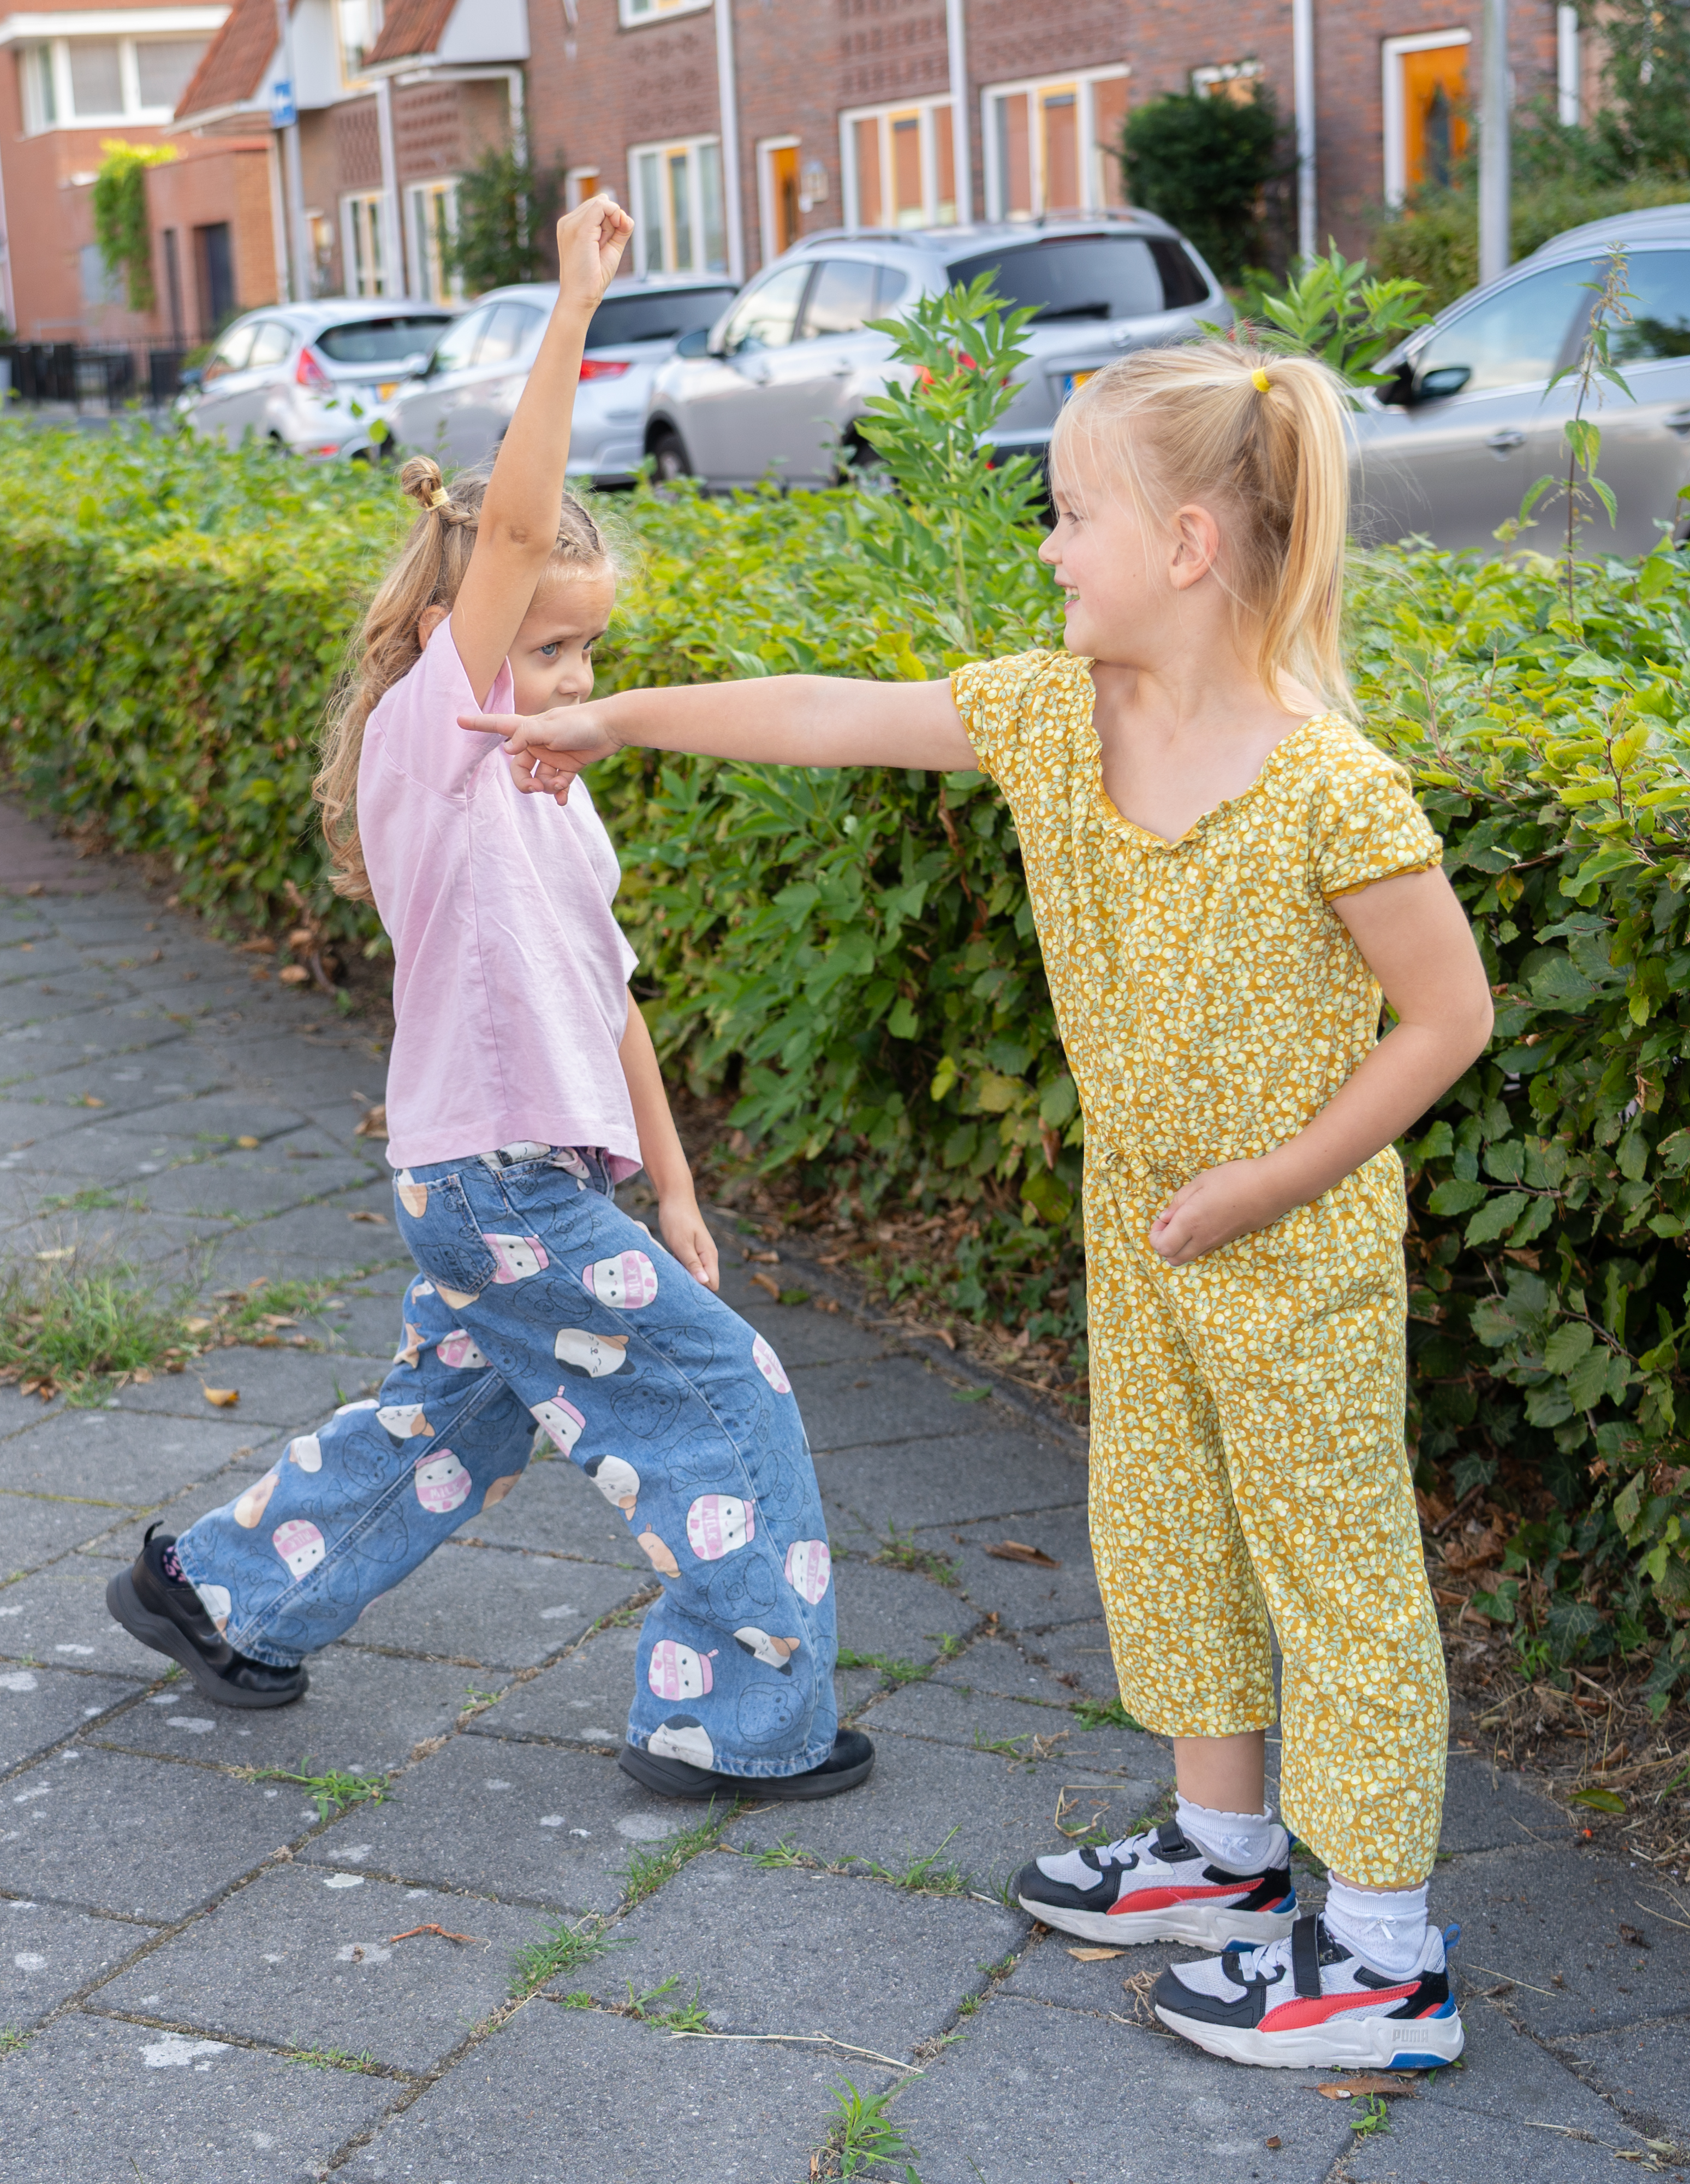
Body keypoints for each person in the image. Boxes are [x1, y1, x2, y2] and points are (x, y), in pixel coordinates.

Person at [468, 344, 1496, 2066]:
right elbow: (830, 714)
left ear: (1186, 547)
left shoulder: (1329, 784)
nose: (1047, 546)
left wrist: (1274, 1179)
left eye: (1072, 515)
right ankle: (1226, 1854)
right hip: (1144, 1228)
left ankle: (1385, 1957)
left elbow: (1449, 1018)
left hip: (1295, 1250)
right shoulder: (1054, 715)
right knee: (1166, 1522)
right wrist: (613, 718)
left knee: (1338, 1573)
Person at [105, 193, 872, 1804]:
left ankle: (222, 1593)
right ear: (451, 643)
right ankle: (735, 1720)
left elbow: (614, 1002)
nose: (571, 682)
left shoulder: (554, 802)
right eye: (544, 652)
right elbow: (513, 534)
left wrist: (675, 1188)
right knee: (725, 1398)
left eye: (590, 654)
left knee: (456, 1422)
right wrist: (574, 309)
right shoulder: (437, 746)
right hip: (493, 1182)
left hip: (534, 1182)